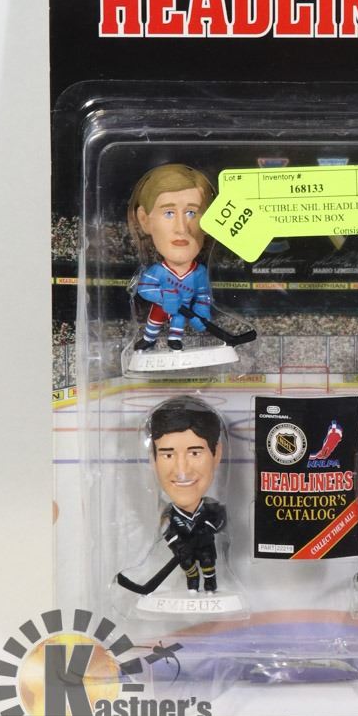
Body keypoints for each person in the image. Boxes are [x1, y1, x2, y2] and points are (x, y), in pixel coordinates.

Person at [127, 164, 214, 351]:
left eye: (191, 212)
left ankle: (175, 340)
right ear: (144, 220)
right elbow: (144, 289)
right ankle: (149, 339)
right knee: (154, 320)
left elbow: (202, 294)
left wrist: (201, 310)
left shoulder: (199, 273)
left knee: (178, 321)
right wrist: (164, 296)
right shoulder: (158, 271)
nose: (182, 228)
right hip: (161, 307)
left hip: (183, 311)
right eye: (169, 213)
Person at [149, 396, 226, 593]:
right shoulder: (169, 515)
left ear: (216, 454)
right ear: (153, 458)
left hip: (206, 549)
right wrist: (179, 546)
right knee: (189, 566)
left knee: (207, 562)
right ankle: (192, 586)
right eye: (168, 455)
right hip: (186, 554)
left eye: (195, 453)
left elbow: (219, 521)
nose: (182, 471)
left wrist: (205, 531)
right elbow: (167, 532)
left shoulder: (211, 509)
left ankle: (210, 586)